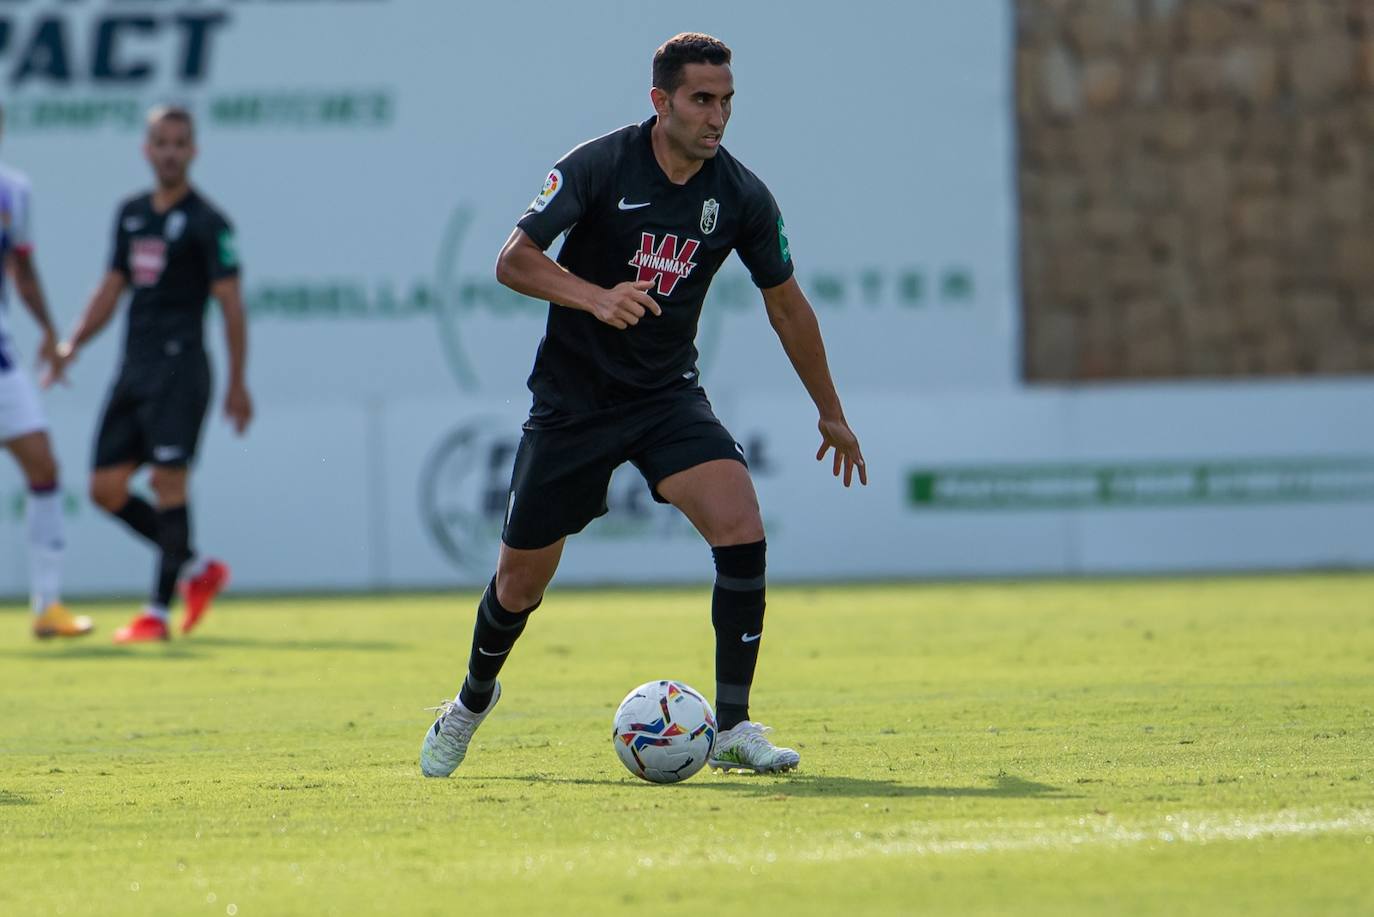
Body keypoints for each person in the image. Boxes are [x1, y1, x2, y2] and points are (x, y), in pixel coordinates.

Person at [421, 33, 866, 778]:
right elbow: (513, 260)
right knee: (518, 585)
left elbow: (787, 305)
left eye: (727, 101)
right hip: (573, 403)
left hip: (665, 395)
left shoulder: (741, 196)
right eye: (701, 100)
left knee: (740, 524)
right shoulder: (599, 165)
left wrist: (830, 410)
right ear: (661, 101)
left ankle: (733, 725)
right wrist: (596, 297)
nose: (717, 117)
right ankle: (470, 702)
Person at [51, 105, 252, 644]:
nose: (170, 152)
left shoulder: (209, 222)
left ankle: (156, 614)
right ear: (147, 150)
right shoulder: (131, 213)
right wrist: (71, 344)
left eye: (179, 143)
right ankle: (196, 566)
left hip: (181, 369)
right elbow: (111, 288)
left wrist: (237, 382)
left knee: (168, 481)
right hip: (134, 368)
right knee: (104, 489)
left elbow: (231, 305)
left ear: (193, 151)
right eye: (161, 142)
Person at [0, 105, 90, 639]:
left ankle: (47, 606)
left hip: (3, 357)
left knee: (43, 466)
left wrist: (51, 332)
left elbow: (23, 268)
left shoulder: (13, 189)